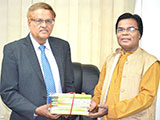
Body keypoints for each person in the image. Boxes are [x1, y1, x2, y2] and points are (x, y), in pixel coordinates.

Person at [0, 2, 75, 120]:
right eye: (39, 21)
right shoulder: (13, 50)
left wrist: (69, 107)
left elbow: (69, 84)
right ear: (29, 22)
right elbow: (8, 92)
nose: (44, 25)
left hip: (60, 117)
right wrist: (35, 110)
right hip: (28, 117)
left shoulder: (63, 47)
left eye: (49, 21)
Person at [88, 13, 160, 120]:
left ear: (139, 34)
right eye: (120, 30)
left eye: (131, 29)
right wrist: (94, 103)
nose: (125, 33)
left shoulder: (150, 62)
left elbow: (146, 98)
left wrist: (111, 110)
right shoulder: (110, 60)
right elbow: (100, 90)